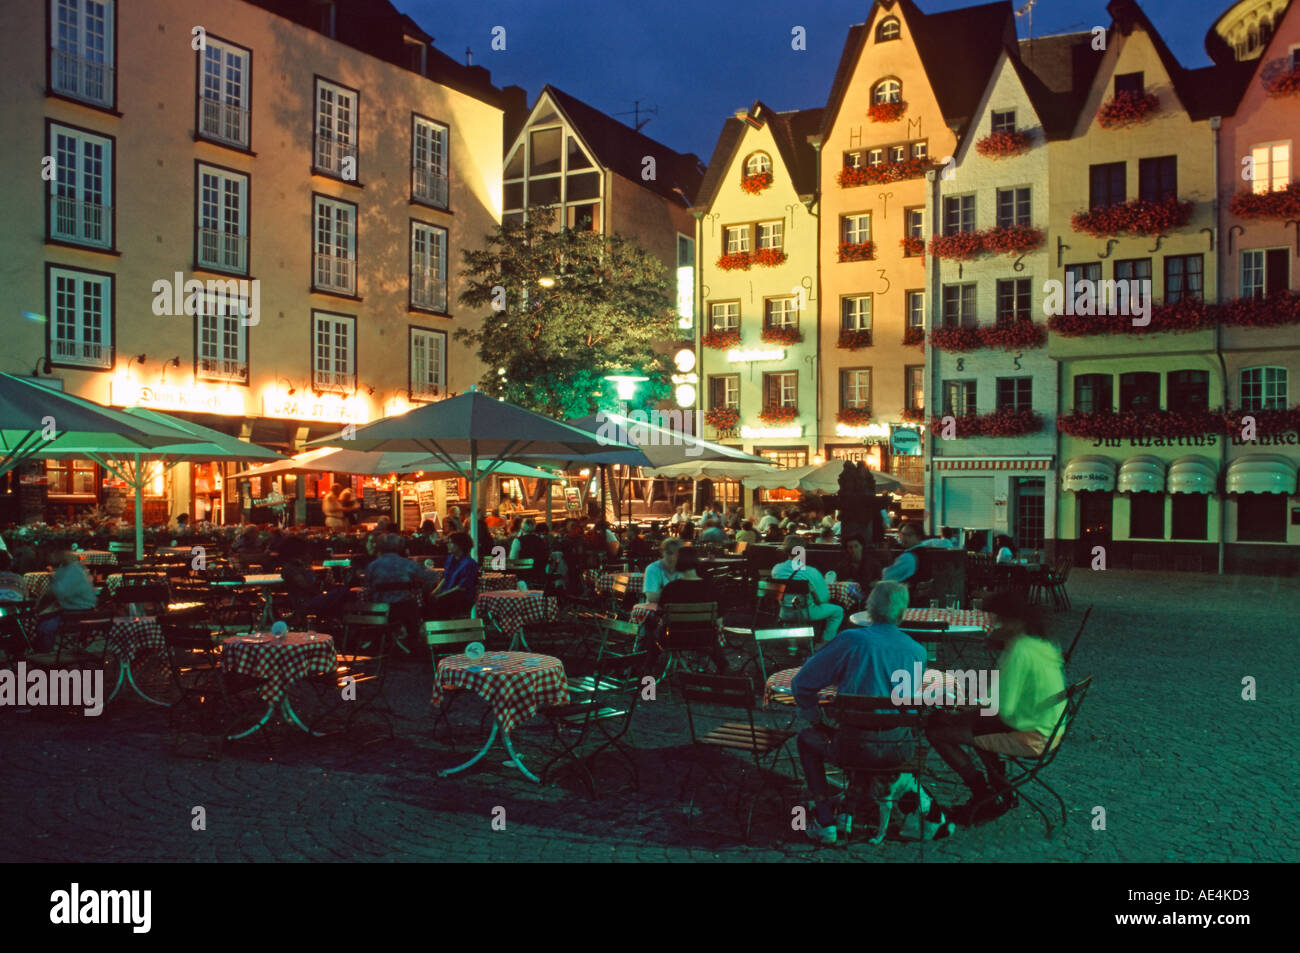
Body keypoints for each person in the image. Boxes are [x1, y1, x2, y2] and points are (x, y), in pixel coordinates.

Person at [790, 581, 936, 846]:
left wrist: (816, 717)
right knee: (870, 736)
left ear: (869, 610)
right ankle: (853, 803)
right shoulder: (917, 651)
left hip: (853, 746)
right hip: (898, 748)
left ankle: (824, 819)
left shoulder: (851, 640)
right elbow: (908, 704)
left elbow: (801, 683)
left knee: (808, 738)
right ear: (903, 614)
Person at [925, 591, 1066, 826]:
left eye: (996, 620)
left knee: (937, 732)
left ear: (1013, 622)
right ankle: (999, 786)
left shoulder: (1019, 651)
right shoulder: (1039, 644)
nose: (992, 625)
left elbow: (998, 707)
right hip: (1048, 727)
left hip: (1032, 736)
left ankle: (984, 794)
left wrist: (956, 715)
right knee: (973, 725)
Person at [771, 534, 844, 641]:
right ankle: (825, 642)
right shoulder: (811, 572)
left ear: (785, 550)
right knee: (838, 611)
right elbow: (824, 598)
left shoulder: (776, 569)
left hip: (784, 612)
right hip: (805, 612)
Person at [33, 552, 99, 652]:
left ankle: (45, 655)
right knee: (46, 619)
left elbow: (54, 593)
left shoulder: (70, 571)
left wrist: (38, 607)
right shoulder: (80, 570)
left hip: (73, 617)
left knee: (43, 624)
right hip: (87, 615)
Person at [279, 536, 351, 618]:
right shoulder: (290, 568)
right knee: (343, 592)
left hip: (312, 599)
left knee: (342, 592)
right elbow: (306, 586)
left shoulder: (299, 566)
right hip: (305, 603)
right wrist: (322, 585)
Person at [880, 521, 953, 584]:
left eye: (908, 535)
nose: (903, 538)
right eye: (902, 534)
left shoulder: (908, 557)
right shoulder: (925, 554)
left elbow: (887, 577)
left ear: (919, 536)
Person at [428, 531, 479, 619]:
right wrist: (435, 592)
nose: (448, 545)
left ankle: (444, 627)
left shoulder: (469, 563)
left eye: (450, 542)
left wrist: (440, 595)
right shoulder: (451, 558)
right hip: (447, 592)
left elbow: (461, 587)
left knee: (439, 602)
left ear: (459, 545)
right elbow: (445, 578)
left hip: (461, 597)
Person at [509, 518, 550, 586]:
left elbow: (512, 558)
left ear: (522, 529)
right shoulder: (541, 540)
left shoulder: (518, 541)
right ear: (534, 529)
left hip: (522, 577)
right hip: (539, 575)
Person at [643, 537, 685, 603]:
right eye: (669, 553)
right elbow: (651, 597)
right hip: (656, 611)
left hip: (678, 610)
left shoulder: (685, 568)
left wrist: (662, 593)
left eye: (676, 554)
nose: (673, 557)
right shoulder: (652, 569)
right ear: (662, 552)